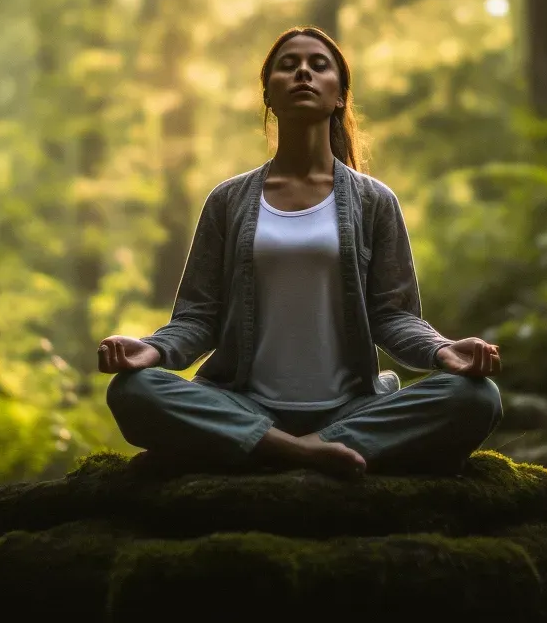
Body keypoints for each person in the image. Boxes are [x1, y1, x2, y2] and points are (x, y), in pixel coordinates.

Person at [99, 26, 503, 479]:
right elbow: (198, 318)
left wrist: (443, 350)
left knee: (477, 397)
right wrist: (150, 350)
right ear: (269, 96)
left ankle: (270, 448)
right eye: (288, 66)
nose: (303, 73)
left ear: (339, 96)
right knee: (133, 391)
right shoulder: (228, 201)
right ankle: (303, 452)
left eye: (318, 65)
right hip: (243, 401)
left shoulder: (374, 201)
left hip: (349, 410)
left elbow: (394, 316)